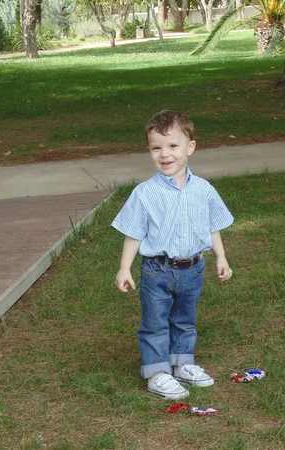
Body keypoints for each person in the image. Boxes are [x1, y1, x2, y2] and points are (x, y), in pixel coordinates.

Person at [112, 110, 234, 400]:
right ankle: (157, 372)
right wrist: (124, 267)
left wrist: (221, 257)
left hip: (193, 269)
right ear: (149, 151)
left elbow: (212, 226)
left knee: (184, 319)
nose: (164, 154)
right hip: (157, 271)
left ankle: (182, 363)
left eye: (172, 146)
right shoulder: (144, 193)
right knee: (155, 322)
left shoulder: (203, 189)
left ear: (190, 147)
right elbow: (134, 232)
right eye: (156, 148)